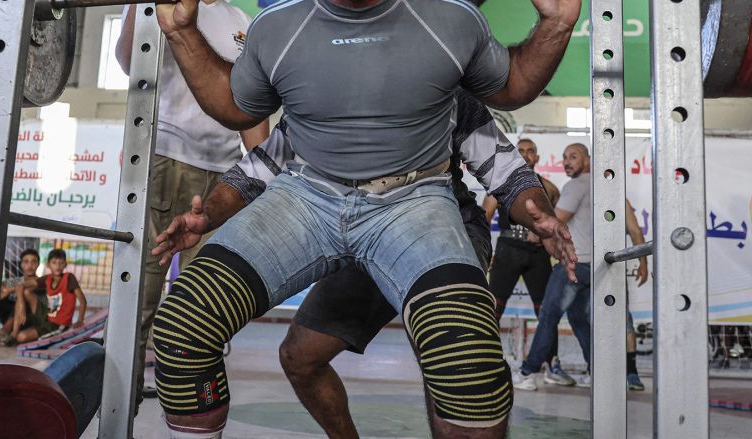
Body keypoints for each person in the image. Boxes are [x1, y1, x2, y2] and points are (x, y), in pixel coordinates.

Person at [147, 0, 582, 438]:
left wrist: (556, 27)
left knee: (465, 369)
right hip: (309, 199)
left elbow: (502, 125)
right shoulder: (278, 27)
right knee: (184, 328)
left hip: (416, 202)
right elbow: (263, 142)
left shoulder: (449, 23)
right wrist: (179, 33)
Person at [152, 91, 577, 437]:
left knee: (452, 355)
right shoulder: (322, 86)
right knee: (299, 358)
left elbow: (505, 168)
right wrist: (209, 214)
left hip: (432, 222)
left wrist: (537, 212)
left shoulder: (443, 82)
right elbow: (265, 162)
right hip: (346, 225)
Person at [115, 0, 268, 377]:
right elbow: (127, 61)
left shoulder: (244, 25)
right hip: (164, 160)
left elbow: (250, 113)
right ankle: (118, 399)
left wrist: (262, 180)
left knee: (204, 303)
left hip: (222, 179)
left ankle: (192, 400)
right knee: (140, 292)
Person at [513, 143, 649, 392]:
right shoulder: (612, 190)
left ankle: (527, 372)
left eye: (573, 157)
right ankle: (598, 372)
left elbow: (554, 222)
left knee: (547, 317)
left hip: (573, 267)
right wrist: (643, 261)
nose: (567, 162)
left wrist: (532, 236)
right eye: (564, 157)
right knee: (579, 320)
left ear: (588, 160)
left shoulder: (575, 186)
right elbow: (635, 229)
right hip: (597, 268)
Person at [485, 138, 574, 386]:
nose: (525, 155)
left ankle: (551, 365)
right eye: (520, 151)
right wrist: (486, 250)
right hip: (508, 248)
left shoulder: (549, 188)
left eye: (530, 151)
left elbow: (556, 216)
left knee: (545, 310)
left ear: (537, 157)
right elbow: (486, 215)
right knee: (494, 308)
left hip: (537, 253)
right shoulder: (500, 185)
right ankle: (488, 361)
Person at [11, 248, 86, 343]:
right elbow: (20, 285)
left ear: (65, 265)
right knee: (26, 292)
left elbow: (83, 301)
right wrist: (21, 305)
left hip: (59, 325)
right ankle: (14, 334)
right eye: (54, 263)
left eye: (61, 263)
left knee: (21, 337)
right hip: (46, 318)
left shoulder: (69, 278)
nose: (57, 266)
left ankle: (22, 335)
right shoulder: (48, 278)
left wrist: (80, 320)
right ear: (48, 265)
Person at [0, 247, 41, 346]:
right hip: (10, 317)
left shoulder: (40, 281)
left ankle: (4, 331)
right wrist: (4, 291)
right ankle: (0, 331)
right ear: (21, 264)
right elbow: (0, 291)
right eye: (26, 262)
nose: (30, 265)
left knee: (22, 298)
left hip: (29, 319)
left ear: (38, 264)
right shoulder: (15, 281)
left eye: (34, 262)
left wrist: (11, 290)